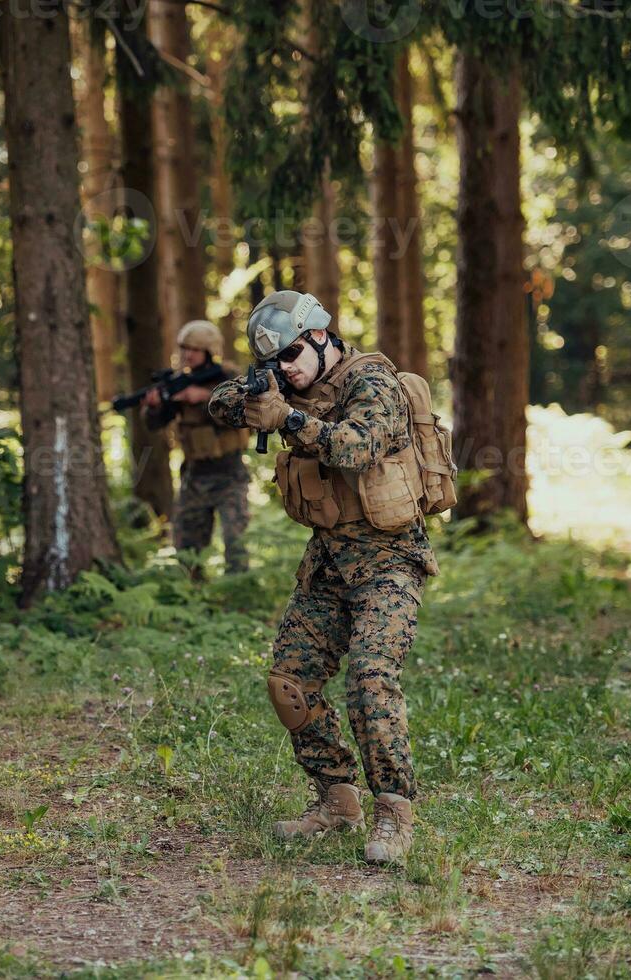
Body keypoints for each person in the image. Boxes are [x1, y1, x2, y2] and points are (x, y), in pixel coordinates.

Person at [208, 290, 438, 865]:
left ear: (321, 338)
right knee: (289, 683)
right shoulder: (286, 382)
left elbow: (357, 448)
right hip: (329, 565)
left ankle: (394, 813)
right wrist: (254, 397)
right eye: (273, 362)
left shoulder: (373, 383)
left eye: (290, 356)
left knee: (369, 678)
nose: (285, 369)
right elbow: (218, 403)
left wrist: (287, 417)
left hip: (389, 561)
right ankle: (337, 801)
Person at [143, 320, 251, 575]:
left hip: (229, 473)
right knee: (186, 545)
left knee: (235, 544)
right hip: (195, 474)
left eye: (194, 349)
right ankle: (192, 597)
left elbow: (242, 415)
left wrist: (204, 398)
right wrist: (155, 406)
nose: (187, 354)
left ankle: (239, 600)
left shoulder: (228, 378)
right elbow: (155, 423)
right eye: (184, 348)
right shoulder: (179, 382)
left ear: (209, 350)